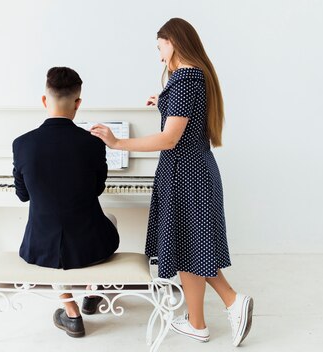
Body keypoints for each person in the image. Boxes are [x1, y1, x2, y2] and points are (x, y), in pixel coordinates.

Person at [90, 18, 253, 346]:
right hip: (191, 170)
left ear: (173, 42)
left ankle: (234, 301)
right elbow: (183, 120)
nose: (160, 55)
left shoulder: (184, 79)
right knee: (188, 248)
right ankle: (197, 323)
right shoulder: (193, 77)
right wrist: (163, 101)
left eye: (160, 47)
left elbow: (168, 139)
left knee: (194, 247)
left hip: (185, 174)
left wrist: (118, 144)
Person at [13, 66, 120, 338]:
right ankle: (92, 292)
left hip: (41, 246)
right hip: (90, 245)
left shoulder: (22, 144)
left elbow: (23, 195)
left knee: (49, 242)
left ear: (44, 100)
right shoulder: (93, 143)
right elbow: (97, 189)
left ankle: (70, 311)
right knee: (111, 221)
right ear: (78, 103)